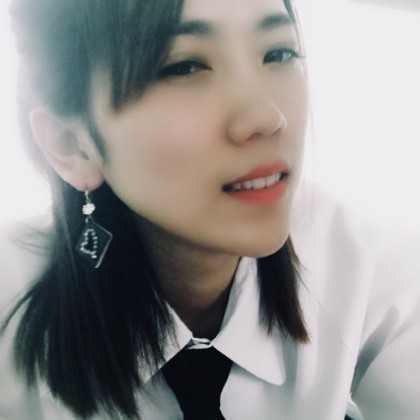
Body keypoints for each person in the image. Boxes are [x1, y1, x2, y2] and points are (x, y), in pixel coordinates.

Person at [0, 0, 419, 419]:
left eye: (278, 53)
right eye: (184, 67)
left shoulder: (372, 270)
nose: (266, 117)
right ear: (71, 145)